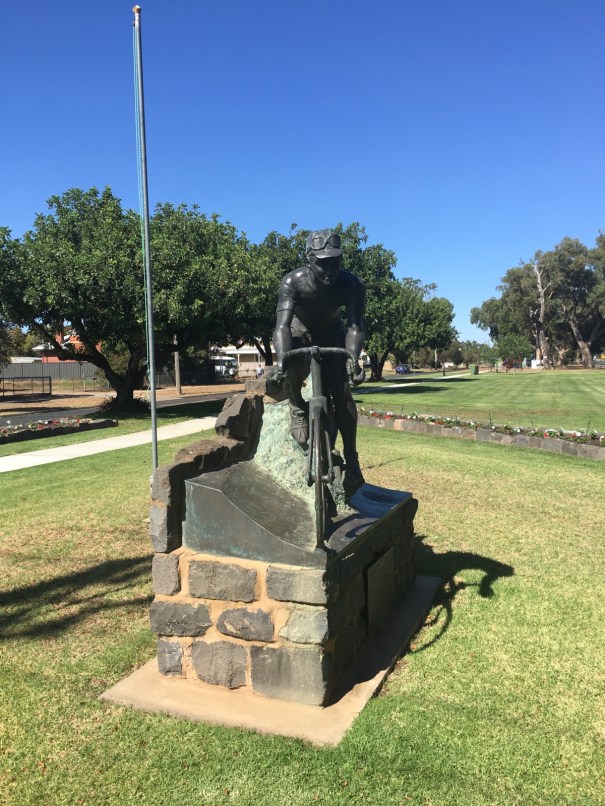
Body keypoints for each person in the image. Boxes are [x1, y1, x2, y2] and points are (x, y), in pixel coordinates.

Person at [271, 229, 366, 496]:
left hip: (332, 332)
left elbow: (355, 327)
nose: (329, 269)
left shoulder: (352, 284)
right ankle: (296, 407)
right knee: (293, 364)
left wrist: (353, 358)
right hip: (300, 329)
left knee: (342, 391)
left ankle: (353, 458)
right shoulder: (293, 281)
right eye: (322, 263)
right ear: (309, 260)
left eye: (335, 262)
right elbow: (282, 327)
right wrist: (282, 359)